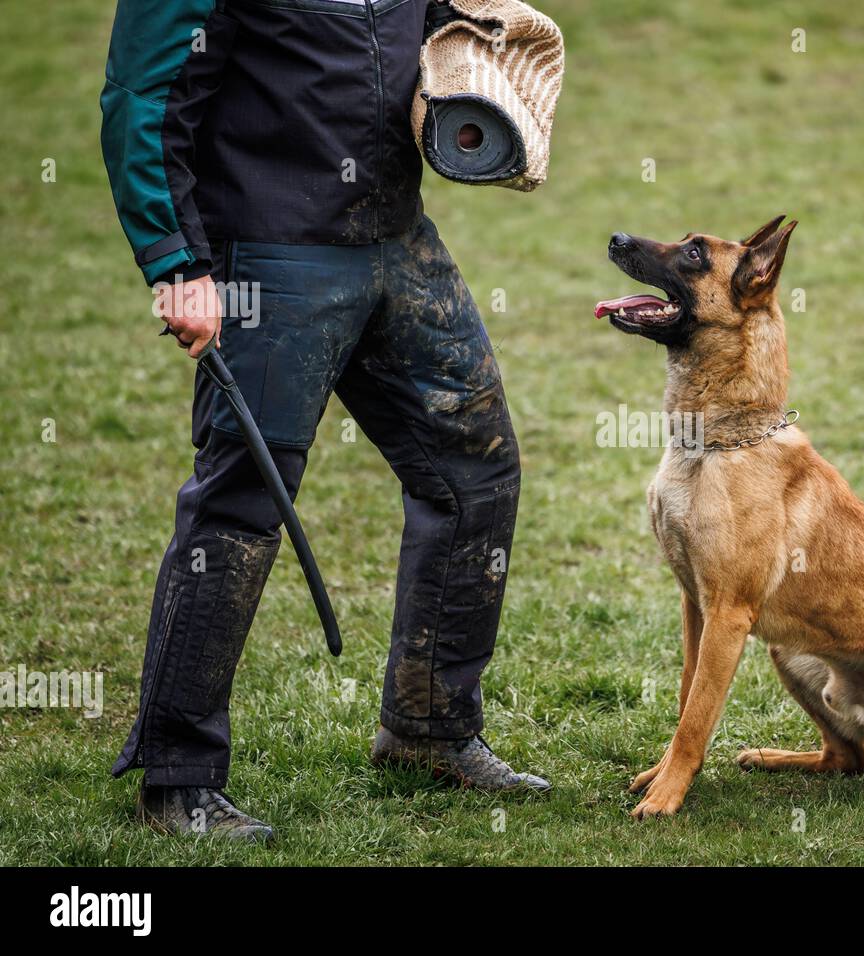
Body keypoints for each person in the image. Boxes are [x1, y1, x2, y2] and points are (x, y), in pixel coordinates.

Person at [100, 0, 548, 843]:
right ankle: (177, 779)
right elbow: (142, 94)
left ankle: (429, 729)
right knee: (240, 507)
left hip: (395, 238)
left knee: (474, 471)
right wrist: (175, 262)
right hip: (267, 254)